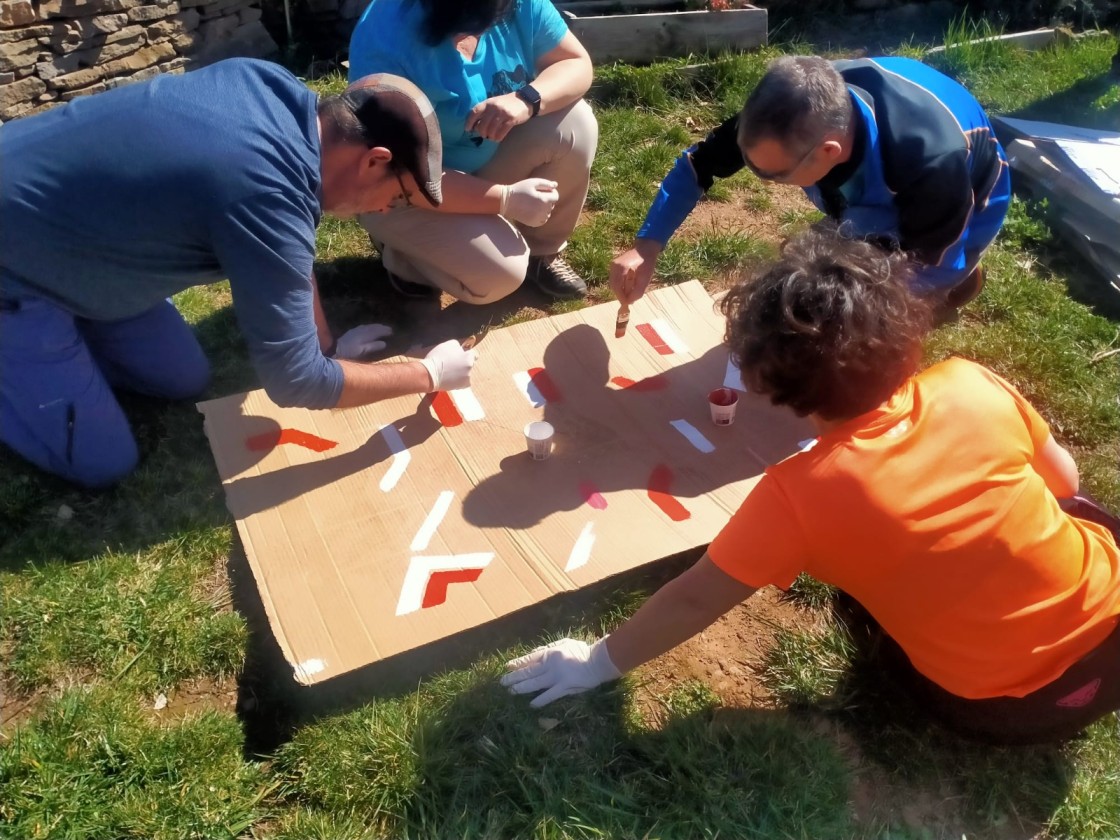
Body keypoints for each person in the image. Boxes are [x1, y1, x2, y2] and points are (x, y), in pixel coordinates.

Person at [504, 227, 1120, 745]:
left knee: (863, 596)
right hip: (1112, 646)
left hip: (999, 709)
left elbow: (694, 599)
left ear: (767, 386)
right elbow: (1064, 485)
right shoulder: (973, 384)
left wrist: (596, 661)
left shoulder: (797, 494)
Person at [0, 58, 477, 489]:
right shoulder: (264, 192)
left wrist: (328, 348)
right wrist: (426, 373)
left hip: (74, 237)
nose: (383, 211)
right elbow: (297, 382)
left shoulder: (274, 91)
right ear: (374, 160)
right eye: (395, 197)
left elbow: (288, 249)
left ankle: (68, 331)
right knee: (104, 461)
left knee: (183, 378)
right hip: (14, 270)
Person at [610, 55, 1011, 311]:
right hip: (881, 182)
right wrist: (646, 247)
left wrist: (874, 300)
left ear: (829, 151)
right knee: (828, 273)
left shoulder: (931, 164)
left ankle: (962, 283)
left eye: (774, 175)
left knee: (856, 306)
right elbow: (698, 166)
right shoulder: (788, 112)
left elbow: (935, 263)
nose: (762, 178)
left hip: (970, 202)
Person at [348, 0, 598, 302]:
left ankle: (542, 253)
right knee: (501, 274)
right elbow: (399, 174)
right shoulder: (386, 42)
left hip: (480, 158)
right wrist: (506, 200)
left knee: (575, 122)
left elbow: (575, 62)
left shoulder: (517, 3)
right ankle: (404, 258)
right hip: (403, 190)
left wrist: (527, 99)